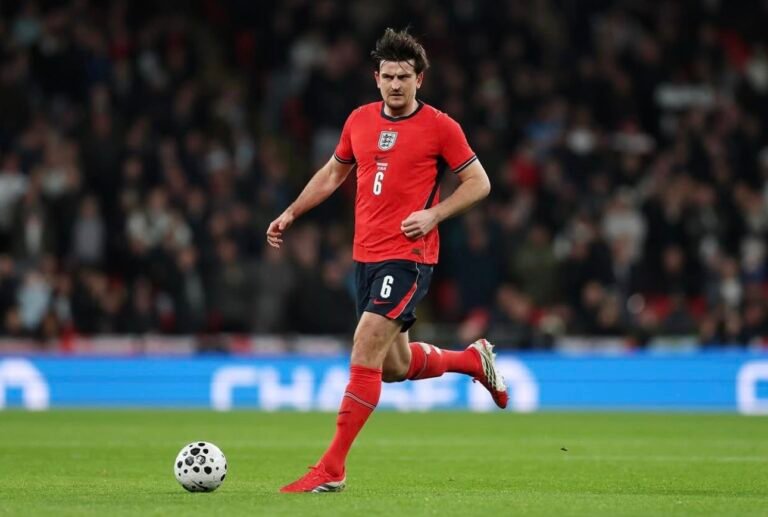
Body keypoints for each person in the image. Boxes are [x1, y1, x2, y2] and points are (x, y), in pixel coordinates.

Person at [266, 28, 507, 493]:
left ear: (420, 79)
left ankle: (332, 467)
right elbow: (334, 173)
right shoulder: (358, 120)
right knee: (393, 367)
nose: (396, 84)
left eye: (405, 76)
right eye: (389, 76)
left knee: (363, 349)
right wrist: (292, 212)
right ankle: (472, 362)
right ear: (376, 78)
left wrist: (434, 215)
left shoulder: (441, 126)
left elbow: (480, 182)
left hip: (409, 257)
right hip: (367, 257)